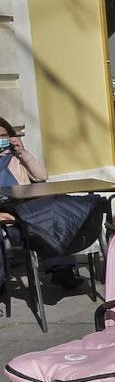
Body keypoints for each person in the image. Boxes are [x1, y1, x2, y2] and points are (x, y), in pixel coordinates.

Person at [0, 118, 82, 288]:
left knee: (55, 212)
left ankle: (62, 269)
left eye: (4, 135)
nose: (1, 139)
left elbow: (41, 176)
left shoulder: (16, 157)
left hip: (22, 208)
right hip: (3, 213)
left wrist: (24, 153)